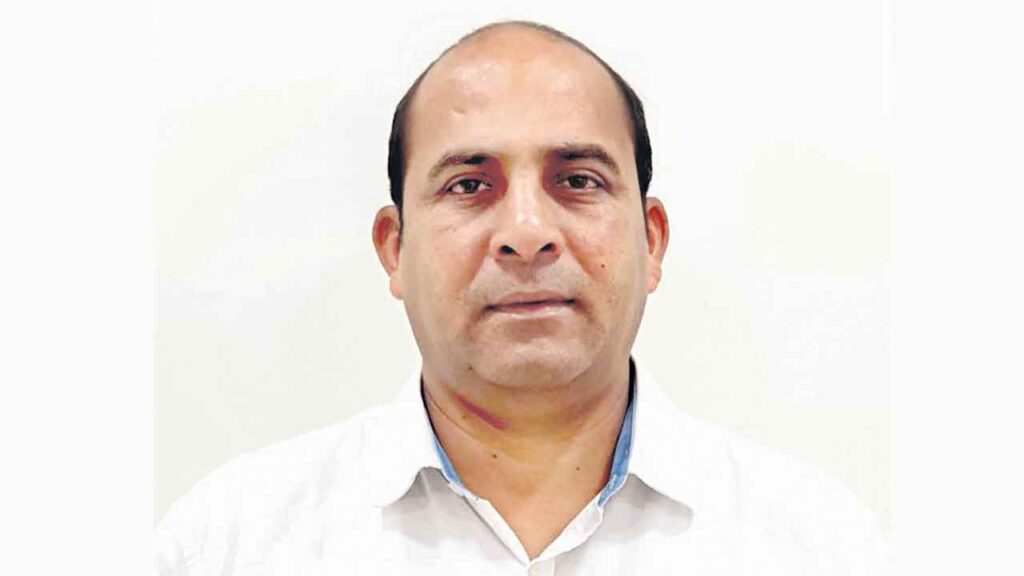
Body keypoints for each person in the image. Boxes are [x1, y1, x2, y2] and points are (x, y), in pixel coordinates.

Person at [155, 19, 887, 575]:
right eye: (470, 185)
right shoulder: (231, 545)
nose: (528, 233)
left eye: (578, 180)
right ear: (395, 249)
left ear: (652, 240)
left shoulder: (817, 545)